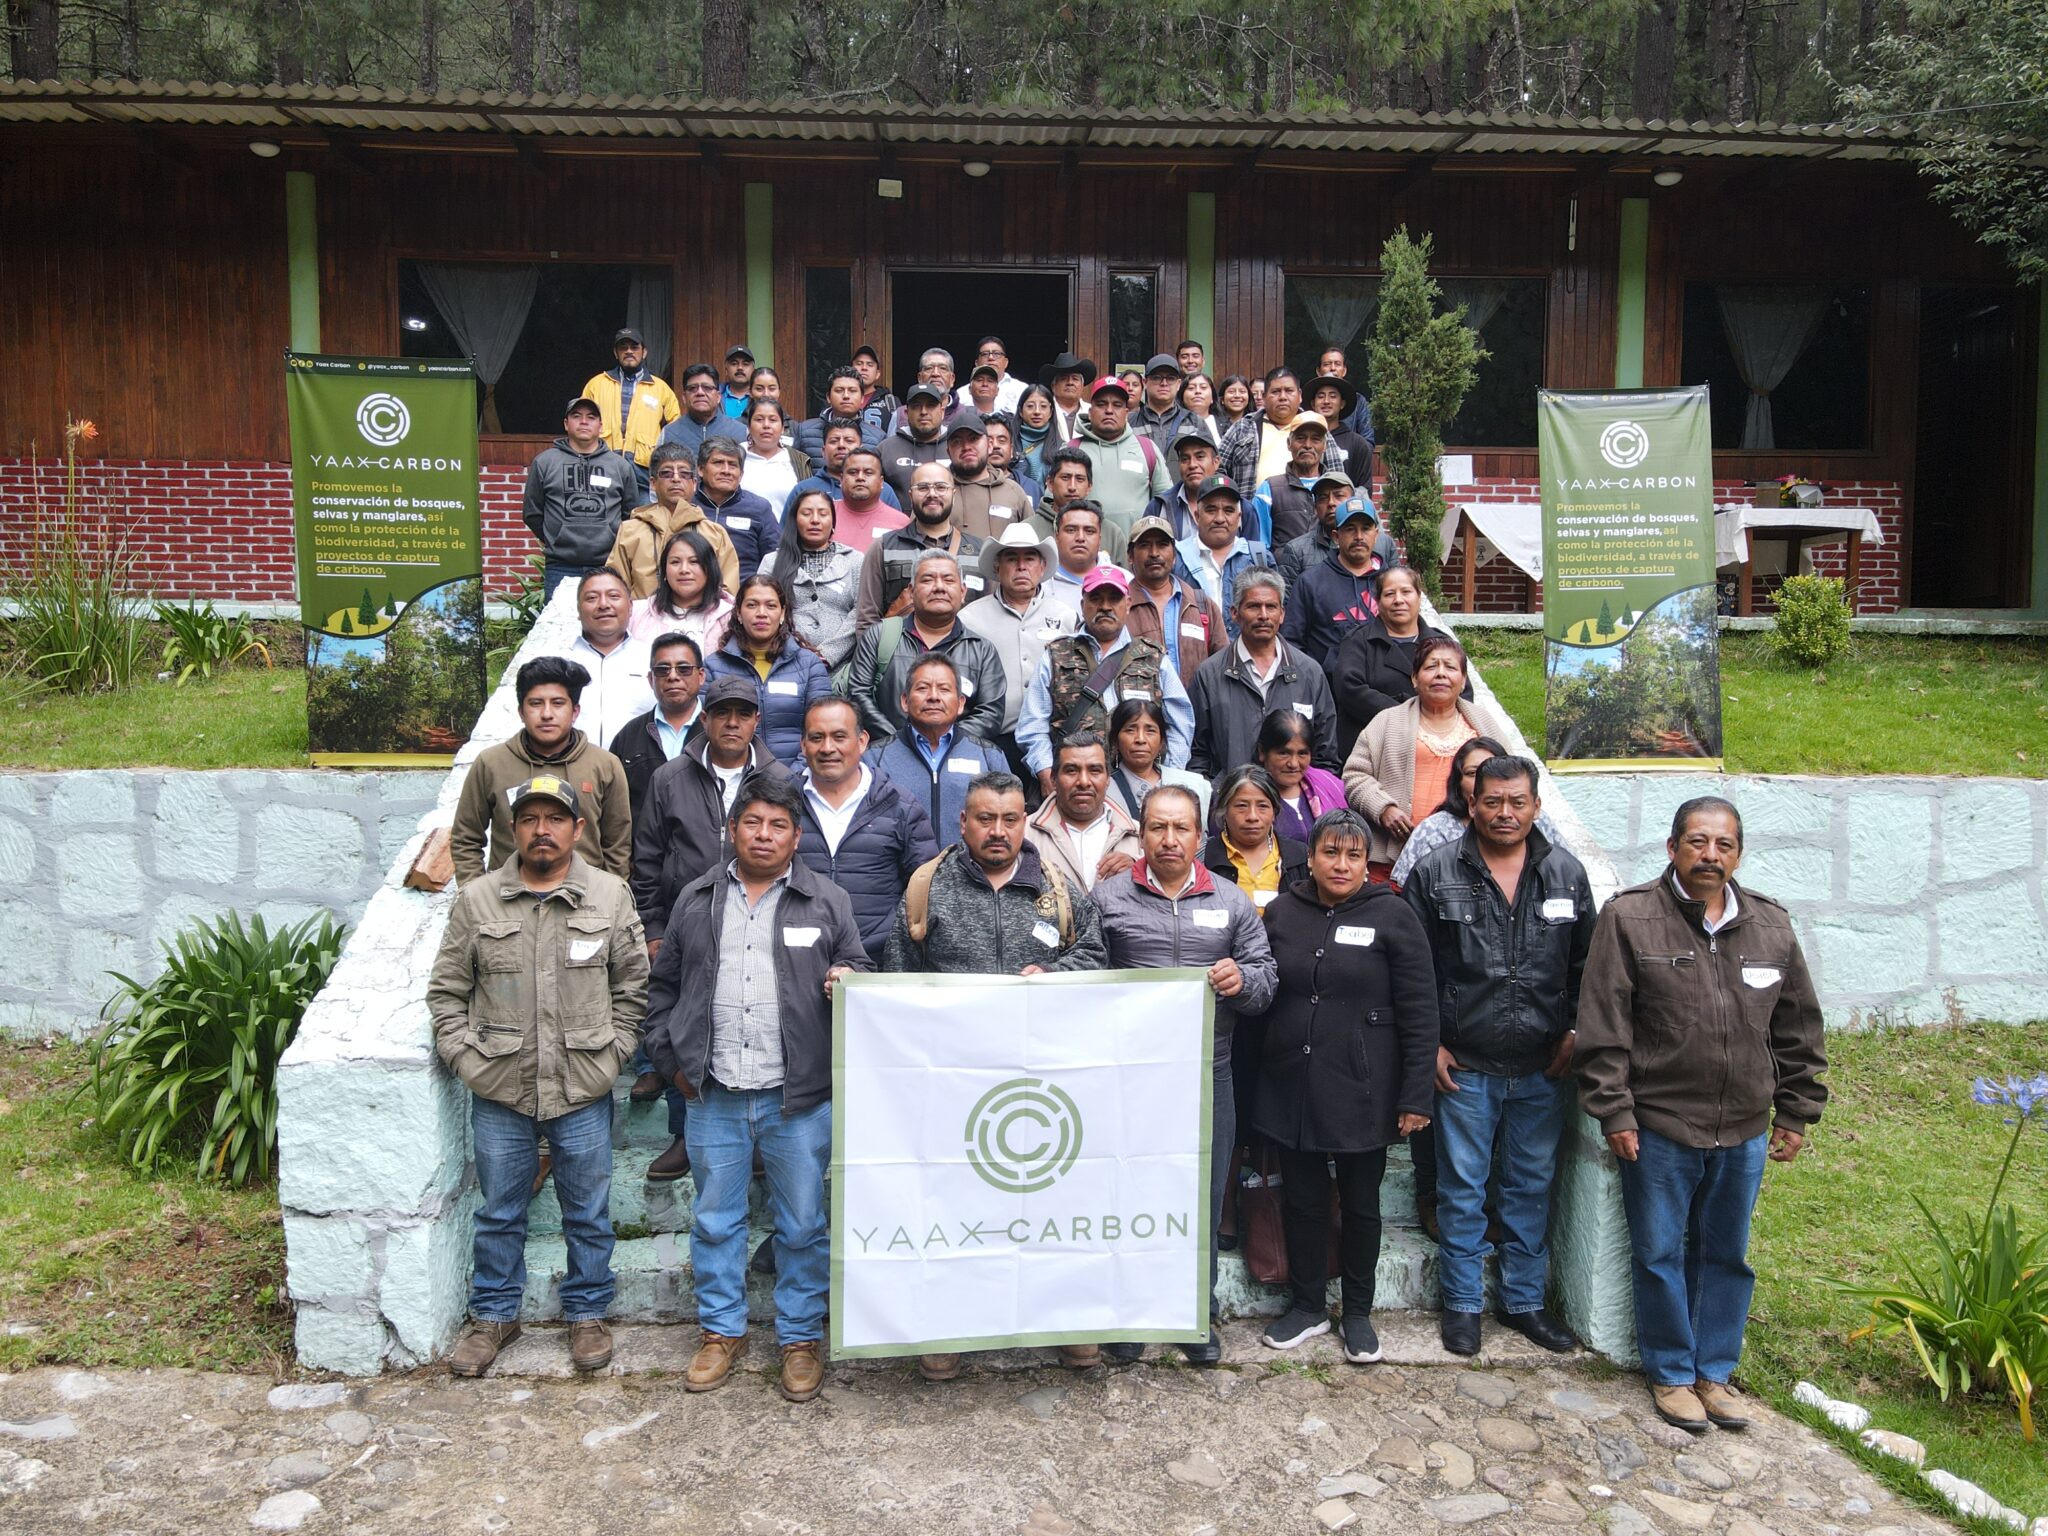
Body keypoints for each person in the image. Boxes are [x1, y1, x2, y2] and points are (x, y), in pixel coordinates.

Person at [1574, 796, 1828, 1434]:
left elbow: (1798, 1030)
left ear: (1738, 854)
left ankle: (1715, 1372)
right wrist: (1615, 1112)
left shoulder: (1771, 926)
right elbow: (1605, 1026)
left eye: (1723, 845)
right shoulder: (1630, 918)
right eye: (1697, 842)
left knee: (1727, 1254)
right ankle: (1671, 1373)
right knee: (1660, 1252)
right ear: (1672, 847)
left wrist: (1796, 1111)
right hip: (1659, 1123)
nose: (1710, 855)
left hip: (1743, 1125)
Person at [643, 775, 868, 1404]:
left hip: (798, 1097)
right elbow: (661, 991)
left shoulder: (826, 901)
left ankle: (799, 1338)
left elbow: (860, 969)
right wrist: (672, 1061)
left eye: (777, 826)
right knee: (717, 1219)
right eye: (752, 823)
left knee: (802, 1223)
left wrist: (846, 975)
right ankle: (721, 1331)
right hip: (712, 1091)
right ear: (732, 829)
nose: (763, 836)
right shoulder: (696, 898)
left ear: (797, 836)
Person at [881, 769, 1108, 1382]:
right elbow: (898, 977)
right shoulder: (928, 886)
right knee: (958, 1209)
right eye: (986, 818)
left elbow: (1095, 953)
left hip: (1043, 1082)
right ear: (963, 822)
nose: (999, 830)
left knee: (1053, 1206)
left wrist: (1052, 976)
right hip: (955, 1083)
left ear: (1025, 822)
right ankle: (950, 1326)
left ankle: (1067, 1323)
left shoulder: (1056, 887)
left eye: (1011, 819)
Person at [430, 776, 648, 1379]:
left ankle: (587, 1313)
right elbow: (448, 991)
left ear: (578, 830)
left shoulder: (608, 896)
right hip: (501, 1086)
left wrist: (615, 1055)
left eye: (556, 819)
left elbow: (633, 988)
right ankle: (495, 1316)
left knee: (588, 1209)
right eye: (530, 819)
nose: (542, 830)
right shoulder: (478, 900)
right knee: (499, 1209)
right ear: (513, 828)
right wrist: (464, 1058)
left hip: (582, 1085)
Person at [1403, 755, 1595, 1359]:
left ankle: (1523, 1302)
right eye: (1493, 801)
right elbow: (1413, 973)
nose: (1505, 813)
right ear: (1472, 802)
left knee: (1529, 1186)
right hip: (1464, 1065)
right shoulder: (1436, 873)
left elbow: (1587, 966)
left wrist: (1575, 1029)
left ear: (1536, 806)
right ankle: (1461, 1306)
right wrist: (1427, 1042)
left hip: (1542, 1066)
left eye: (1517, 802)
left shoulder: (1566, 874)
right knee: (1462, 1190)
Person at [1093, 783, 1277, 1366]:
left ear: (1200, 836)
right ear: (1141, 833)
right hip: (1126, 1078)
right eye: (1158, 828)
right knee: (1126, 1193)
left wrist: (1242, 983)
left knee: (1200, 1193)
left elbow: (1266, 976)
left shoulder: (1232, 900)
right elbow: (1083, 969)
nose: (1169, 839)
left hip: (1208, 1075)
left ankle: (1196, 1311)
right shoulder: (1108, 899)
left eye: (1181, 829)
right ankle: (1126, 1312)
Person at [1248, 808, 1437, 1365]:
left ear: (1366, 862)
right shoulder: (1283, 911)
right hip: (1291, 1084)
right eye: (1332, 852)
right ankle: (1306, 1305)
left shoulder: (1393, 916)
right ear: (1311, 855)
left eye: (1354, 855)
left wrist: (1415, 1095)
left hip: (1364, 1088)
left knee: (1360, 1204)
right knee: (1303, 1200)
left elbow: (1420, 1011)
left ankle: (1356, 1312)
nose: (1342, 864)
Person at [631, 674, 794, 950]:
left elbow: (794, 860)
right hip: (680, 928)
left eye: (743, 714)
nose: (732, 723)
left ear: (757, 721)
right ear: (705, 719)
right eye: (722, 713)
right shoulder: (669, 778)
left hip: (759, 931)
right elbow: (647, 860)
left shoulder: (781, 780)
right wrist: (653, 930)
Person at [1342, 635, 1515, 879]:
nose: (1441, 674)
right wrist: (1383, 809)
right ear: (1414, 678)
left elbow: (1513, 778)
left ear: (1463, 680)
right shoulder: (1387, 721)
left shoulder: (1484, 725)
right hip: (1395, 856)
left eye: (1451, 667)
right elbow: (1354, 776)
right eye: (1431, 666)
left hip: (1472, 857)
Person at [1018, 566, 1195, 800]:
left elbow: (1180, 724)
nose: (1105, 607)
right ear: (1082, 605)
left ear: (1128, 603)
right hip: (1074, 787)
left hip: (1140, 788)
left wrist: (1169, 779)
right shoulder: (1056, 653)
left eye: (1114, 599)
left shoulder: (1153, 656)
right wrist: (1047, 774)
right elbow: (1032, 725)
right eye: (1096, 599)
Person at [451, 657, 631, 885]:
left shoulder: (605, 765)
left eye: (557, 703)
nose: (547, 714)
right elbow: (465, 837)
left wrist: (608, 898)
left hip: (584, 905)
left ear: (574, 711)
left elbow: (618, 845)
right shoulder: (491, 763)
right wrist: (476, 897)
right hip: (507, 904)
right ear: (521, 711)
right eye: (536, 703)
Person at [793, 696, 938, 954]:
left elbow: (926, 890)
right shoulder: (782, 804)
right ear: (803, 745)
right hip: (796, 959)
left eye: (839, 737)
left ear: (862, 742)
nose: (827, 748)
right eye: (817, 738)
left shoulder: (900, 806)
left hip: (877, 962)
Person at [1187, 570, 1337, 779]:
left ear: (1282, 614)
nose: (1263, 615)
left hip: (1294, 803)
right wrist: (1215, 799)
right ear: (1234, 612)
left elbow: (1325, 754)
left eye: (1271, 607)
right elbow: (1197, 754)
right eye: (1253, 606)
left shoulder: (1309, 672)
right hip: (1229, 804)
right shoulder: (1210, 674)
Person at [959, 522, 1080, 772]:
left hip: (1052, 740)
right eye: (1012, 558)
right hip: (992, 740)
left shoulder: (1066, 616)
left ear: (1042, 566)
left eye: (1030, 558)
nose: (1022, 566)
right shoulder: (970, 619)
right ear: (998, 566)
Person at [868, 652, 1013, 845]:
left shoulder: (989, 756)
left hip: (968, 872)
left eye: (944, 689)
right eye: (922, 688)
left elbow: (1010, 822)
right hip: (897, 872)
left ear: (960, 703)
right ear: (905, 701)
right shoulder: (874, 758)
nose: (933, 697)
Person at [1332, 565, 1468, 761]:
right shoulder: (1358, 641)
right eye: (1389, 594)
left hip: (1435, 749)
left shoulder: (1443, 644)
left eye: (1406, 592)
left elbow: (1464, 693)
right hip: (1374, 750)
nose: (1398, 600)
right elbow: (1350, 689)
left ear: (1419, 597)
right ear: (1377, 601)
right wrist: (1409, 715)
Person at [701, 574, 832, 766]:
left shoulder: (809, 664)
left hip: (798, 778)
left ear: (782, 613)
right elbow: (705, 729)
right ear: (738, 613)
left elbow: (823, 727)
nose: (761, 613)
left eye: (771, 605)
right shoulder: (714, 667)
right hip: (735, 779)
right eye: (752, 605)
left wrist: (792, 777)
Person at [523, 396, 640, 598]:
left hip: (607, 565)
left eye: (591, 417)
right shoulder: (545, 462)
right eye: (576, 416)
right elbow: (532, 512)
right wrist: (556, 537)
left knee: (606, 627)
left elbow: (631, 515)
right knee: (559, 628)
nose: (584, 421)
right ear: (566, 424)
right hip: (560, 566)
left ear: (600, 426)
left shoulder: (620, 466)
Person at [854, 460, 989, 626]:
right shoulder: (884, 547)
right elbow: (867, 619)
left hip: (964, 651)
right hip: (901, 650)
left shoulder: (979, 551)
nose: (932, 494)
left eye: (941, 487)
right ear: (910, 496)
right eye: (923, 487)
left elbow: (992, 619)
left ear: (953, 495)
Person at [607, 442, 741, 600]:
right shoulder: (631, 530)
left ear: (694, 483)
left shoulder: (715, 533)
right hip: (642, 621)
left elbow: (727, 594)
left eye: (684, 474)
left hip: (702, 621)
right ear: (653, 482)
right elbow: (614, 587)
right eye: (667, 474)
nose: (676, 479)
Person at [1285, 494, 1392, 672]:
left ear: (1376, 534)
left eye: (1365, 528)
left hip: (1385, 690)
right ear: (1336, 536)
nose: (1359, 536)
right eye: (1350, 529)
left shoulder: (1393, 583)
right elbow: (1291, 641)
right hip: (1329, 690)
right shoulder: (1310, 582)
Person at [757, 488, 863, 669]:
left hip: (844, 665)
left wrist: (829, 653)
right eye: (806, 513)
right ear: (794, 520)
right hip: (783, 661)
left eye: (823, 514)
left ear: (833, 522)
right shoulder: (772, 561)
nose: (815, 520)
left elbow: (862, 612)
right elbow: (761, 609)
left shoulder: (855, 560)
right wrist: (793, 652)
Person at [1125, 513, 1228, 692]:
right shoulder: (1119, 606)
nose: (1154, 553)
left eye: (1162, 545)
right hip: (1141, 717)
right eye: (1144, 545)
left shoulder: (1201, 604)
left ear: (1174, 556)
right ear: (1130, 556)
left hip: (1196, 714)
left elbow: (1222, 665)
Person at [1026, 732, 1142, 890]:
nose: (1084, 782)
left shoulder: (1139, 836)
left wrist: (1138, 870)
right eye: (1072, 771)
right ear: (1053, 779)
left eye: (1094, 770)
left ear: (1108, 779)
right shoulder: (1024, 834)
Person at [611, 632, 706, 819]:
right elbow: (614, 807)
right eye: (662, 669)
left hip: (702, 847)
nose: (672, 676)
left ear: (701, 676)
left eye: (684, 669)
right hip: (643, 846)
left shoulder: (719, 732)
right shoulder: (629, 735)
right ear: (650, 679)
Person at [1065, 375, 1172, 540]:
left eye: (1117, 405)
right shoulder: (1072, 449)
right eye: (1101, 404)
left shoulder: (1147, 448)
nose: (1109, 410)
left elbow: (1167, 503)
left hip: (1136, 552)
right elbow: (1054, 504)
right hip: (1083, 552)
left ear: (1126, 413)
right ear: (1090, 412)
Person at [558, 569, 654, 750]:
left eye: (613, 596)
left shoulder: (653, 660)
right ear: (578, 610)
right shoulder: (560, 660)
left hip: (638, 769)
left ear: (631, 606)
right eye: (592, 598)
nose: (603, 604)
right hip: (573, 767)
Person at [584, 327, 680, 501]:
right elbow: (582, 424)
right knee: (603, 519)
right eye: (623, 347)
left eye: (634, 347)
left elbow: (675, 429)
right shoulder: (596, 384)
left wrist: (663, 464)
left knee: (644, 521)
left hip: (643, 471)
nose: (629, 351)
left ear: (644, 352)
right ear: (616, 353)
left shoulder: (661, 389)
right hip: (602, 463)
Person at [1217, 367, 1345, 494]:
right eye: (1276, 391)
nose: (1282, 397)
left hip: (1308, 512)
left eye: (1289, 391)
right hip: (1253, 511)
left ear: (1300, 395)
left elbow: (1337, 477)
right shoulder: (1242, 428)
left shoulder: (1317, 428)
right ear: (1264, 396)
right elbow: (1217, 469)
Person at [1173, 475, 1275, 630]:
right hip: (1195, 653)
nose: (1220, 518)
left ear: (1239, 517)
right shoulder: (1177, 557)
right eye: (1211, 510)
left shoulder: (1259, 557)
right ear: (1197, 516)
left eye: (1228, 510)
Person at [1276, 471, 1395, 596]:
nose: (1331, 503)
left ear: (1353, 500)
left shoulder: (1384, 544)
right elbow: (1287, 604)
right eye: (1323, 498)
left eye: (1339, 495)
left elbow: (1397, 590)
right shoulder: (1297, 550)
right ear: (1315, 507)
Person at [1106, 696, 1210, 827]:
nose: (1140, 739)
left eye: (1150, 731)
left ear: (1162, 741)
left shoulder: (1194, 785)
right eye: (1130, 730)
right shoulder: (1103, 790)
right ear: (1116, 740)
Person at [627, 527, 734, 652]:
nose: (684, 570)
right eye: (675, 562)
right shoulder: (636, 613)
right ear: (664, 571)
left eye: (694, 562)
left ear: (710, 569)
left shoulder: (730, 616)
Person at [1254, 708, 1348, 847]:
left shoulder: (1329, 786)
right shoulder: (1246, 796)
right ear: (1262, 752)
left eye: (1302, 753)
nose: (1293, 763)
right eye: (1283, 753)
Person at [695, 436, 779, 580]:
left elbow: (775, 558)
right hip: (692, 594)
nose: (726, 471)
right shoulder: (686, 505)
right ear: (701, 470)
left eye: (733, 465)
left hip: (744, 596)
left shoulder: (759, 508)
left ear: (741, 475)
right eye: (718, 463)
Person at [1249, 410, 1334, 547]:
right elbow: (1259, 546)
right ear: (1289, 443)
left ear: (1325, 446)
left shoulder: (1336, 488)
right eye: (1300, 438)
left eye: (1315, 439)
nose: (1307, 445)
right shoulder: (1269, 489)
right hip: (1281, 568)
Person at [943, 410, 1033, 537]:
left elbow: (1031, 546)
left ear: (989, 445)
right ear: (948, 451)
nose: (966, 447)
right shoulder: (937, 492)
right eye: (957, 442)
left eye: (973, 439)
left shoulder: (1014, 492)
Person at [1145, 426, 1227, 542]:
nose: (1192, 464)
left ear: (1216, 462)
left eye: (1200, 457)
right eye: (1185, 459)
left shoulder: (1237, 506)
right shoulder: (1160, 506)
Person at [656, 362, 748, 464]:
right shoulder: (669, 433)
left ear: (718, 397)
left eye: (707, 388)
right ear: (684, 397)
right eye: (692, 388)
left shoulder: (740, 432)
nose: (700, 392)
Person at [794, 365, 888, 461]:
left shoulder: (878, 437)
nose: (846, 396)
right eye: (839, 390)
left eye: (852, 391)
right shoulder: (804, 431)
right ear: (828, 397)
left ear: (862, 398)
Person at [877, 382, 952, 500]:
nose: (923, 412)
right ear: (906, 413)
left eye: (931, 405)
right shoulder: (886, 449)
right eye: (916, 406)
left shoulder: (955, 447)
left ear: (942, 412)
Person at [829, 445, 909, 552]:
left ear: (881, 482)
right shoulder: (824, 515)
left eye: (868, 472)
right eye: (853, 472)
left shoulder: (901, 523)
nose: (860, 478)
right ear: (841, 479)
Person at [1042, 498, 1115, 613]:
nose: (1080, 538)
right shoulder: (1040, 583)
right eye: (1071, 530)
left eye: (1089, 531)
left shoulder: (1122, 580)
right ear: (1057, 536)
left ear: (1099, 539)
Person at [738, 399, 806, 512]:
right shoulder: (735, 456)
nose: (766, 425)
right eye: (759, 419)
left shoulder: (799, 461)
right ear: (749, 427)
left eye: (773, 420)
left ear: (783, 428)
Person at [1309, 371, 1374, 486]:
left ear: (1342, 404)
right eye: (1320, 396)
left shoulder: (1357, 443)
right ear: (1313, 404)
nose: (1326, 401)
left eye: (1333, 396)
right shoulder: (1304, 440)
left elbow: (1363, 489)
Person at [1314, 346, 1377, 447]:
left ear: (1344, 371)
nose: (1333, 368)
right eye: (1327, 364)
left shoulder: (1358, 401)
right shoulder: (1310, 399)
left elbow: (1367, 441)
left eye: (1337, 364)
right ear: (1318, 371)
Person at [1133, 354, 1190, 458]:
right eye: (1156, 378)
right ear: (1145, 383)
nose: (1164, 383)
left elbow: (1214, 466)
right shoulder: (1129, 422)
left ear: (1178, 384)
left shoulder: (1194, 422)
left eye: (1170, 378)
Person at [982, 413, 1042, 508]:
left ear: (1011, 450)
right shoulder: (968, 486)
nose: (995, 446)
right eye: (988, 441)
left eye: (1002, 440)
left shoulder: (1031, 488)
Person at [956, 335, 1027, 415]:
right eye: (985, 354)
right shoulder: (961, 394)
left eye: (996, 354)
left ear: (1006, 362)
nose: (990, 358)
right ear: (976, 363)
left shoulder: (1022, 390)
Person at [1039, 351, 1095, 444]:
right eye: (1063, 378)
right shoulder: (1042, 411)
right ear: (1053, 386)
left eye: (1075, 379)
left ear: (1082, 386)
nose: (1070, 382)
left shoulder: (1092, 412)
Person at [1013, 383, 1060, 485]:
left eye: (1043, 406)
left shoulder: (1061, 446)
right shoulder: (1009, 443)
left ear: (1051, 412)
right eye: (1030, 406)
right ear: (1021, 411)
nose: (1037, 412)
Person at [1177, 372, 1222, 446]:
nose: (1198, 391)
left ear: (1212, 398)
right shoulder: (1174, 423)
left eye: (1203, 387)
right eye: (1191, 388)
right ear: (1182, 398)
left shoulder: (1225, 426)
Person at [717, 343, 756, 418]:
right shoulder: (714, 396)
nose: (740, 368)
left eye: (745, 364)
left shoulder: (760, 396)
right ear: (726, 370)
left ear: (753, 370)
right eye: (734, 363)